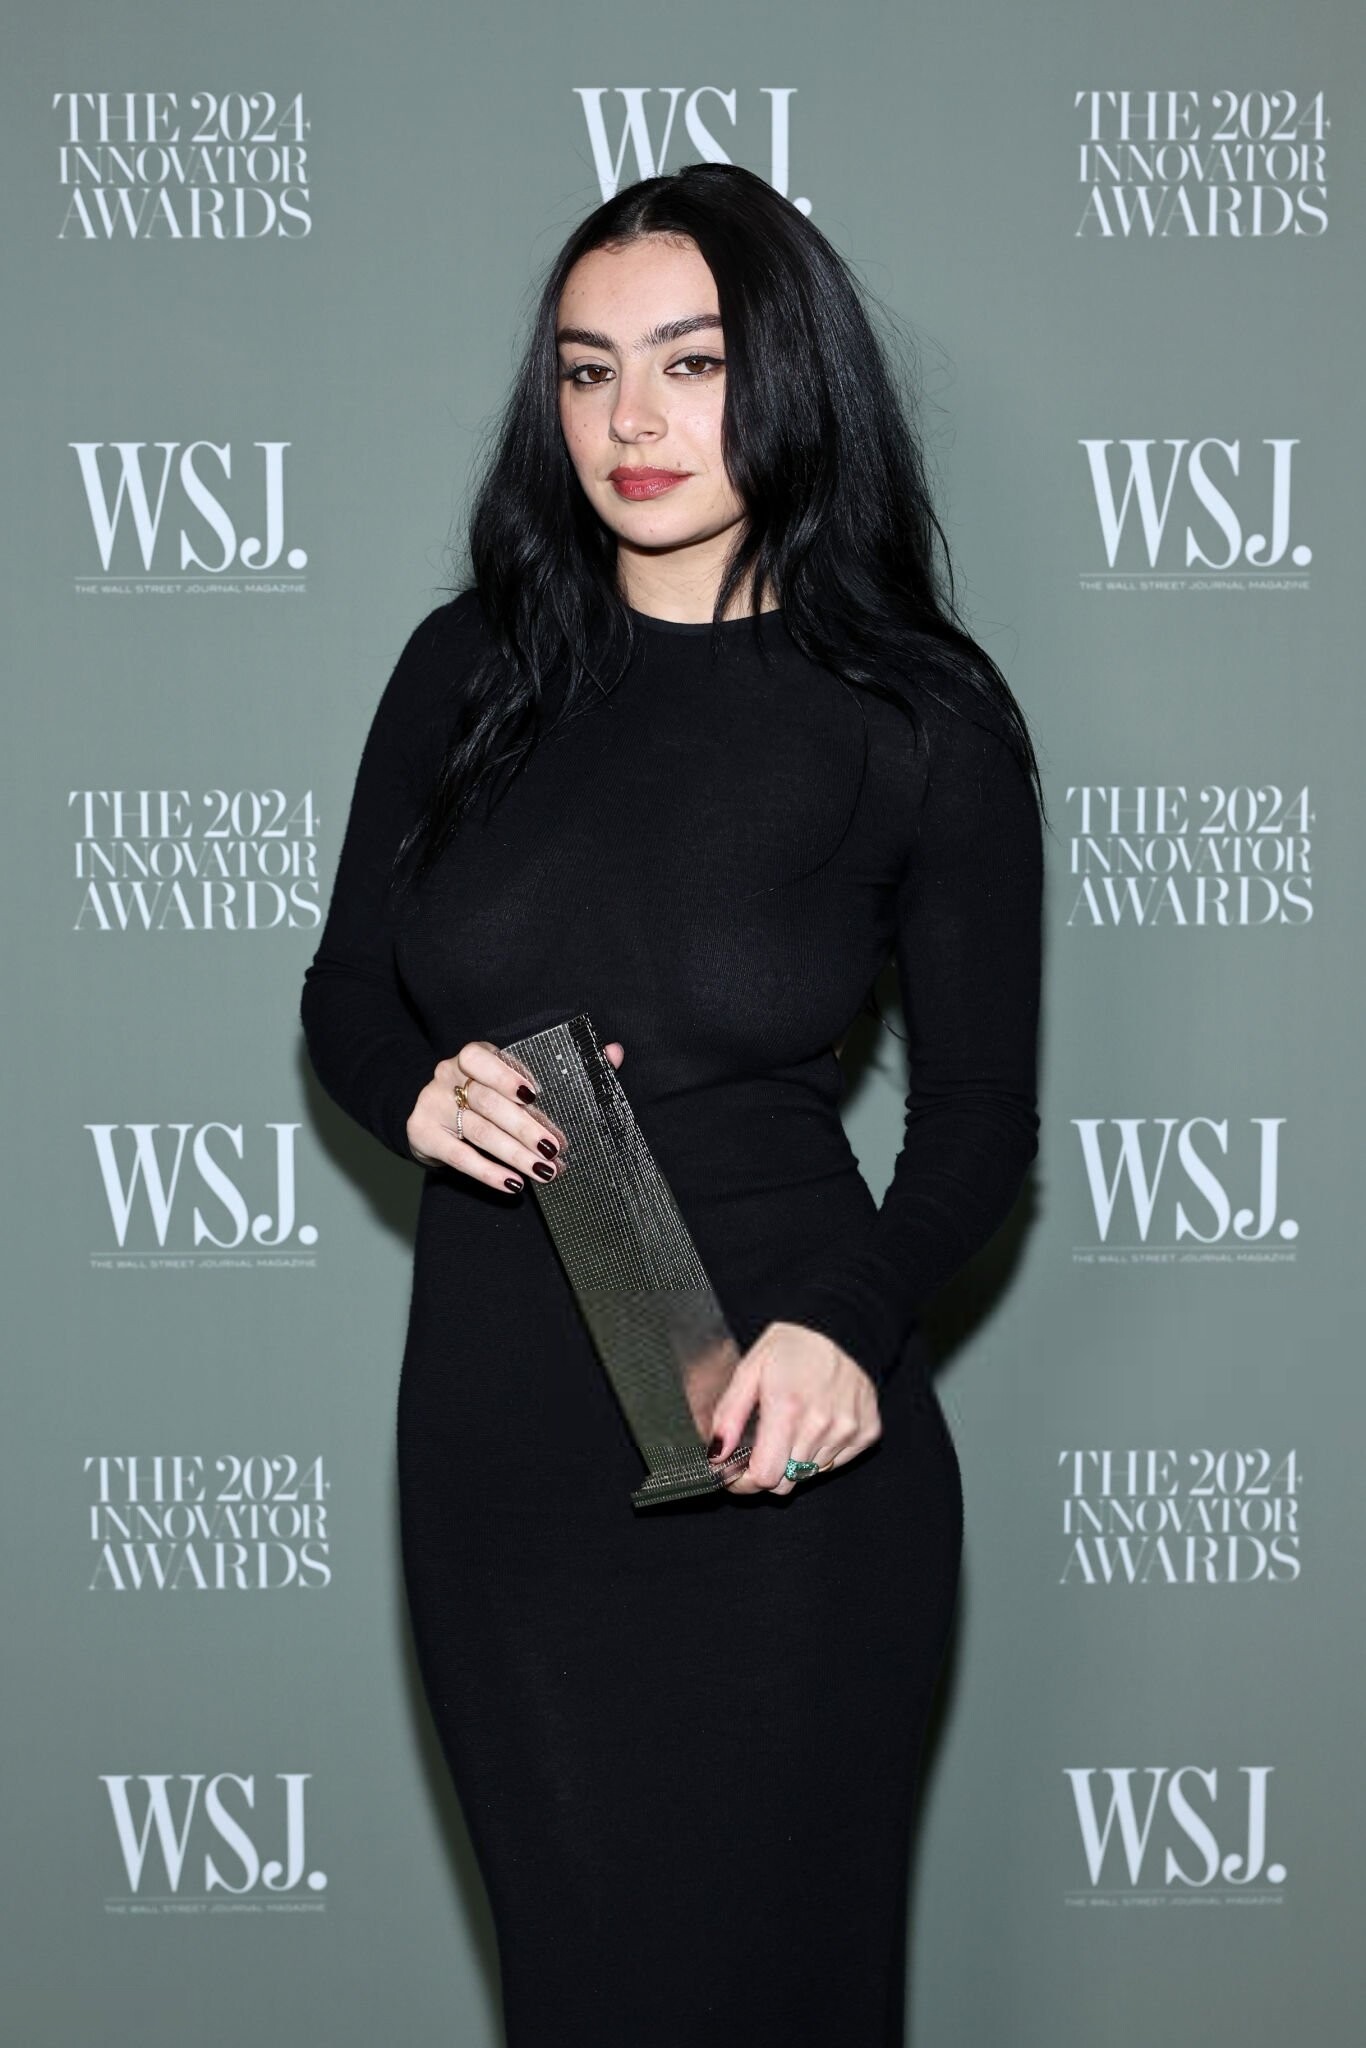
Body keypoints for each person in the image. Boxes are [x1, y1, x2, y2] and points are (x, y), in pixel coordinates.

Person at [301, 161, 1044, 2048]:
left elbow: (976, 1124)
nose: (630, 419)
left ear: (790, 376)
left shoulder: (920, 713)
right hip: (501, 1454)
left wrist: (845, 1330)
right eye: (586, 368)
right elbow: (346, 993)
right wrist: (413, 1094)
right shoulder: (467, 668)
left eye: (690, 363)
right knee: (581, 1990)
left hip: (781, 1445)